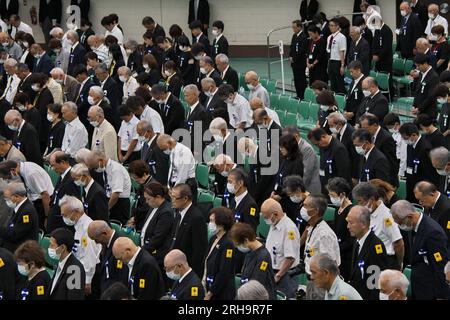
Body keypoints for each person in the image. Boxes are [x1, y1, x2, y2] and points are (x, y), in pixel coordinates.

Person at [391, 200, 450, 300]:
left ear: (410, 217)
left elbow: (440, 266)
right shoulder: (412, 225)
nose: (400, 226)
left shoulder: (433, 233)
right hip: (418, 284)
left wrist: (442, 296)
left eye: (400, 222)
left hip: (430, 290)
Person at [352, 182, 405, 270]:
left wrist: (398, 264)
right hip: (369, 258)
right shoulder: (367, 213)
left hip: (385, 261)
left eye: (360, 201)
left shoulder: (387, 217)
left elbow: (399, 243)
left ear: (371, 200)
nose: (358, 205)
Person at [300, 195, 340, 300]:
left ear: (315, 211)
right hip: (311, 280)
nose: (302, 208)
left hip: (320, 284)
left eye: (305, 205)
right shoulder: (312, 227)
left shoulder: (324, 234)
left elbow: (329, 264)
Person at [59, 195, 101, 294]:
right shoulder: (78, 225)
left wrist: (87, 281)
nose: (64, 218)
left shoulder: (87, 228)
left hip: (88, 274)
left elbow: (90, 256)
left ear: (76, 212)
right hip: (77, 269)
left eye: (65, 215)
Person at [347, 205, 389, 300]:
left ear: (363, 224)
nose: (348, 226)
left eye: (351, 223)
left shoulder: (375, 247)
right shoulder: (357, 240)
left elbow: (375, 284)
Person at [262, 198, 300, 299]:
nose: (265, 220)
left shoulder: (289, 229)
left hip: (284, 275)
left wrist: (278, 276)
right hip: (272, 271)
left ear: (275, 214)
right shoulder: (275, 223)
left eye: (266, 217)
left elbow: (290, 258)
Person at [0, 161, 53, 231]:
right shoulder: (23, 168)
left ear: (12, 170)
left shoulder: (31, 174)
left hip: (45, 204)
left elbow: (45, 195)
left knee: (40, 228)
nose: (5, 179)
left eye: (5, 177)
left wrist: (47, 217)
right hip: (36, 201)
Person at [169, 184, 208, 278]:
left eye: (175, 198)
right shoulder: (179, 213)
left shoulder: (196, 218)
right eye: (171, 197)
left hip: (188, 269)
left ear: (185, 198)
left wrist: (192, 275)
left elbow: (199, 251)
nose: (172, 201)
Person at [230, 222, 276, 300]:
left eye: (238, 244)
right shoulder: (250, 252)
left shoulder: (263, 257)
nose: (238, 247)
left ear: (246, 240)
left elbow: (257, 283)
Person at [84, 151, 131, 224]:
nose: (95, 169)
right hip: (110, 200)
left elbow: (116, 194)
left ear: (101, 160)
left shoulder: (115, 169)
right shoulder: (106, 169)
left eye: (94, 167)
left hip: (119, 204)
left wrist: (106, 209)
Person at [399, 122, 440, 202]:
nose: (404, 140)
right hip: (410, 183)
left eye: (405, 138)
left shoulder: (425, 148)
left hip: (421, 188)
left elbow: (428, 174)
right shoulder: (410, 145)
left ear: (413, 135)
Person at [87, 220, 128, 296]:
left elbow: (122, 277)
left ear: (104, 234)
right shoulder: (106, 244)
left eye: (96, 239)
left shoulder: (120, 246)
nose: (96, 242)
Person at [203, 207, 236, 300]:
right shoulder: (213, 238)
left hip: (221, 293)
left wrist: (210, 293)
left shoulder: (228, 243)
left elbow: (224, 272)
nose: (210, 224)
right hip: (209, 285)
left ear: (221, 224)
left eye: (212, 221)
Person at [140, 182, 174, 272]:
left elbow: (158, 237)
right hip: (146, 249)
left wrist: (140, 251)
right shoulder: (153, 205)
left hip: (156, 255)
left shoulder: (166, 212)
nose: (146, 202)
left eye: (148, 199)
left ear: (158, 197)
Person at [326, 178, 354, 280]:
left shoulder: (350, 211)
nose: (330, 198)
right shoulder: (338, 208)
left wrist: (337, 249)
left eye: (332, 195)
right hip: (337, 250)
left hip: (346, 254)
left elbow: (351, 238)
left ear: (342, 195)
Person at [308, 127, 351, 193]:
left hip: (336, 189)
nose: (317, 146)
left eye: (317, 144)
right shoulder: (322, 146)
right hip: (325, 186)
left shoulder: (339, 149)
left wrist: (337, 190)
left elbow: (343, 174)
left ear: (323, 137)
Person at [47, 152, 80, 233]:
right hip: (55, 223)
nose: (52, 168)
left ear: (62, 163)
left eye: (53, 165)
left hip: (62, 227)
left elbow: (72, 206)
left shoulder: (71, 179)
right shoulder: (62, 176)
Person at [48, 228, 86, 300]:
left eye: (52, 245)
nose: (49, 247)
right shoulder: (61, 263)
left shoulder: (74, 270)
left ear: (62, 248)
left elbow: (74, 297)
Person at [1, 182, 39, 253]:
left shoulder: (27, 212)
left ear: (17, 196)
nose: (6, 200)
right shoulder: (19, 207)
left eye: (7, 198)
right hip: (11, 247)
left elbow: (15, 235)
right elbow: (10, 228)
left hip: (22, 251)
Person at [413, 181, 450, 249]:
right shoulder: (429, 203)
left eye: (421, 200)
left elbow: (446, 237)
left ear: (431, 194)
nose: (420, 203)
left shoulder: (447, 209)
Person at [326, 112, 359, 182]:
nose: (330, 128)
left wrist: (354, 176)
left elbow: (356, 157)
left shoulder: (351, 134)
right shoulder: (339, 131)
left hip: (350, 173)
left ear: (340, 124)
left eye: (331, 126)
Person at [136, 120, 169, 186]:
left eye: (140, 134)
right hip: (147, 184)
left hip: (156, 187)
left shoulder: (159, 146)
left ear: (148, 132)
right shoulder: (145, 144)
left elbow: (161, 173)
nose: (138, 136)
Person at [412, 53, 440, 120]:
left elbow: (431, 97)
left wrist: (419, 108)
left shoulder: (434, 77)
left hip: (428, 112)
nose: (417, 68)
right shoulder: (421, 74)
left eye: (418, 66)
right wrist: (414, 105)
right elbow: (417, 91)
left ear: (425, 63)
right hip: (420, 111)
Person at [183, 84, 210, 152]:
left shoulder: (201, 112)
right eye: (185, 96)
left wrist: (197, 148)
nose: (185, 98)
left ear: (195, 95)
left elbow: (200, 133)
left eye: (187, 96)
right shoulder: (189, 109)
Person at [371, 18, 393, 98]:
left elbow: (387, 46)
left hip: (386, 59)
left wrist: (379, 56)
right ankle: (380, 94)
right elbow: (374, 43)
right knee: (379, 77)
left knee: (386, 77)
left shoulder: (387, 30)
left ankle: (389, 95)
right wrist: (374, 54)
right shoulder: (377, 30)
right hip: (378, 60)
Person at [383, 113, 407, 177]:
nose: (389, 129)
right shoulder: (394, 134)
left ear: (396, 124)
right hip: (394, 161)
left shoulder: (404, 135)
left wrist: (401, 172)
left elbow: (404, 156)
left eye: (390, 127)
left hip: (400, 163)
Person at [326, 18, 347, 95]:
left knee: (339, 84)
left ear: (337, 26)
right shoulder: (329, 37)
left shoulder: (341, 37)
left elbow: (342, 51)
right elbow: (328, 51)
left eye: (332, 25)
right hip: (331, 61)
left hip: (338, 62)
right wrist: (328, 64)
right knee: (332, 83)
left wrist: (342, 65)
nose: (330, 27)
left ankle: (343, 99)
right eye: (329, 25)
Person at [289, 20, 308, 100]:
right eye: (292, 27)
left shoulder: (304, 37)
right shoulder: (294, 36)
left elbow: (302, 50)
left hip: (300, 62)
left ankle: (302, 95)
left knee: (301, 79)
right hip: (294, 62)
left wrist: (295, 58)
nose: (293, 29)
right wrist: (290, 56)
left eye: (295, 27)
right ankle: (298, 95)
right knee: (296, 79)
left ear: (300, 27)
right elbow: (291, 47)